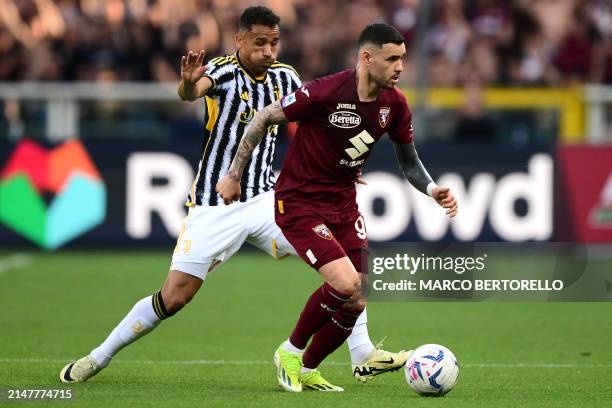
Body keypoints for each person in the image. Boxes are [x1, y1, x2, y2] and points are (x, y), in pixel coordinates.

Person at [59, 7, 406, 384]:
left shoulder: (286, 76)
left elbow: (316, 116)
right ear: (239, 40)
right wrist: (189, 84)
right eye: (260, 43)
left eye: (274, 43)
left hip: (269, 202)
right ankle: (98, 357)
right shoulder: (224, 71)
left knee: (348, 272)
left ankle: (361, 353)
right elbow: (192, 91)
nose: (269, 51)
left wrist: (341, 165)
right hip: (215, 203)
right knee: (174, 297)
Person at [217, 22, 458, 392]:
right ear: (366, 57)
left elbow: (409, 162)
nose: (400, 67)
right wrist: (234, 174)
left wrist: (431, 188)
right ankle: (290, 351)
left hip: (343, 204)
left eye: (403, 59)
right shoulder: (325, 91)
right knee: (344, 283)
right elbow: (265, 117)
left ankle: (309, 366)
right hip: (299, 202)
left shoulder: (395, 105)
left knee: (359, 294)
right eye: (392, 59)